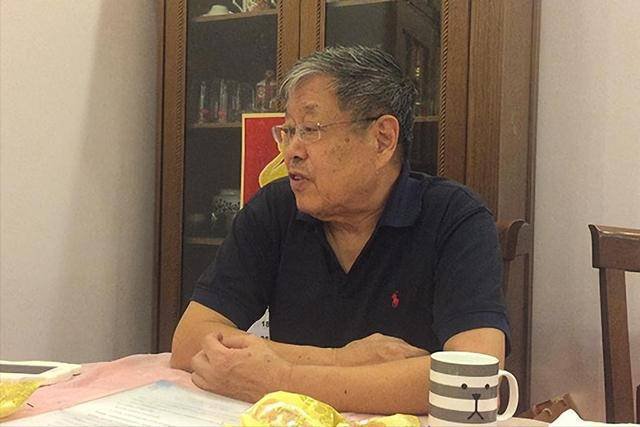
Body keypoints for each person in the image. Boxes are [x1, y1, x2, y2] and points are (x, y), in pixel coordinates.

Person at [170, 45, 509, 415]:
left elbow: (475, 377)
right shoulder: (276, 208)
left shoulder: (454, 218)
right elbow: (190, 341)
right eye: (288, 131)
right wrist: (338, 359)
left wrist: (281, 378)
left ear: (382, 139)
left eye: (310, 130)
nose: (291, 152)